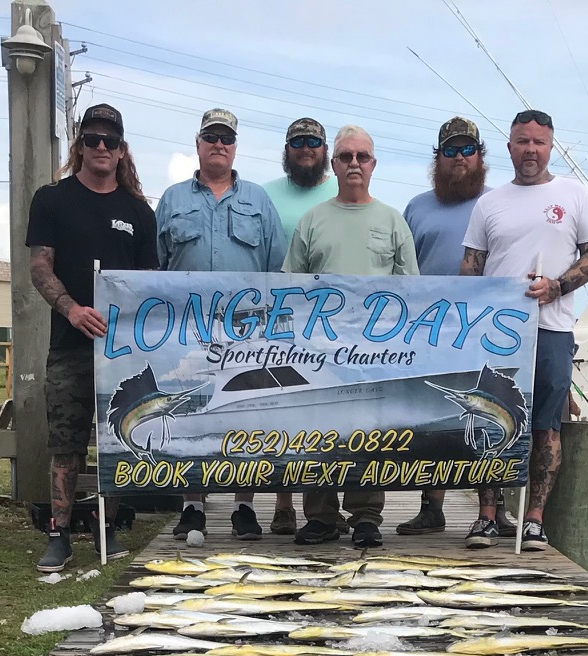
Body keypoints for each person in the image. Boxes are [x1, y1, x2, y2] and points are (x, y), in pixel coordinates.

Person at [458, 108, 588, 548]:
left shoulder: (575, 195)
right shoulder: (490, 202)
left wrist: (557, 286)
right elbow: (470, 268)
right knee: (489, 418)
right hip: (495, 333)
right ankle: (487, 513)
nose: (530, 150)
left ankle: (535, 518)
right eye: (522, 141)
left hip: (552, 329)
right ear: (509, 147)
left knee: (546, 426)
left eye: (538, 142)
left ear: (550, 146)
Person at [24, 103, 159, 573]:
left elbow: (150, 285)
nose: (102, 147)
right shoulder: (52, 199)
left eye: (112, 141)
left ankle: (108, 525)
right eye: (94, 139)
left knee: (118, 440)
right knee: (66, 444)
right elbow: (40, 267)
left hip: (121, 352)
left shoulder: (139, 213)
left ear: (122, 151)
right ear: (80, 145)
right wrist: (71, 309)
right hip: (70, 345)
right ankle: (59, 534)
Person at [283, 125, 418, 549]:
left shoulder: (393, 221)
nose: (354, 163)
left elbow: (412, 291)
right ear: (334, 164)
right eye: (345, 157)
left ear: (373, 165)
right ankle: (321, 517)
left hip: (376, 355)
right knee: (318, 431)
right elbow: (290, 288)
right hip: (318, 354)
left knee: (369, 433)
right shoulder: (313, 220)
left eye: (362, 156)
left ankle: (365, 517)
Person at [156, 106, 285, 543]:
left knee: (242, 414)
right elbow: (156, 268)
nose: (218, 144)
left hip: (246, 332)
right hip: (186, 330)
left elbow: (275, 269)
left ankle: (243, 507)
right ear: (197, 143)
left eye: (226, 138)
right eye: (211, 136)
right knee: (189, 410)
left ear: (235, 147)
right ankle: (192, 506)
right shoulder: (172, 199)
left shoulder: (259, 201)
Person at [396, 115, 489, 536]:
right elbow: (401, 272)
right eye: (450, 150)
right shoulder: (415, 208)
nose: (459, 158)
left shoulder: (496, 202)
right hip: (428, 332)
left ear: (480, 156)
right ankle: (431, 506)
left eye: (467, 149)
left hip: (486, 329)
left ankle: (493, 509)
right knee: (432, 417)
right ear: (437, 158)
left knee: (486, 415)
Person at [259, 117, 336, 538]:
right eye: (297, 142)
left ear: (325, 150)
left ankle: (328, 508)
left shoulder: (341, 189)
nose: (306, 148)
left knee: (327, 413)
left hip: (335, 325)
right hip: (280, 318)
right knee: (283, 413)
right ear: (286, 149)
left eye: (313, 142)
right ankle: (283, 503)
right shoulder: (265, 194)